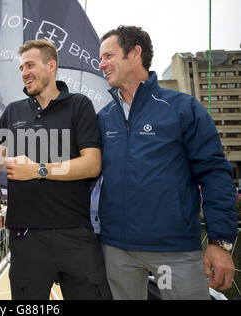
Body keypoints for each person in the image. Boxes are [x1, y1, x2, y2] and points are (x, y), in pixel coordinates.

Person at [97, 25, 238, 299]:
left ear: (135, 53)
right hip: (116, 250)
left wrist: (219, 242)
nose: (101, 64)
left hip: (174, 251)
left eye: (108, 56)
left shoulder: (183, 108)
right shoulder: (103, 117)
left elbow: (214, 174)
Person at [0, 39, 112, 300]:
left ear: (51, 66)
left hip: (75, 233)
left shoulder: (79, 105)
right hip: (26, 236)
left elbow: (92, 164)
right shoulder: (12, 112)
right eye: (21, 67)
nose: (24, 72)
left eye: (30, 65)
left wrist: (38, 170)